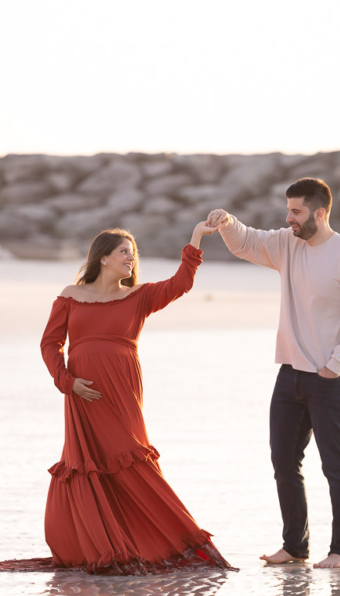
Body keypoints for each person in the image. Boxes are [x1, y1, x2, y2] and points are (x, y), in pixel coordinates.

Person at [1, 222, 234, 575]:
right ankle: (101, 543)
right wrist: (67, 382)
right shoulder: (71, 294)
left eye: (133, 253)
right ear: (104, 258)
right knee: (88, 462)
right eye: (124, 251)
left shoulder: (138, 296)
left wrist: (196, 238)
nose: (131, 257)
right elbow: (50, 343)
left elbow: (180, 284)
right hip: (82, 393)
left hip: (122, 390)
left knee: (130, 459)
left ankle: (178, 541)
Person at [207, 178, 340, 568]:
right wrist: (228, 222)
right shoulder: (287, 244)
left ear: (319, 212)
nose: (289, 218)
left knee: (336, 466)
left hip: (334, 377)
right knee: (284, 461)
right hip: (291, 373)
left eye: (296, 212)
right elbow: (248, 241)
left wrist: (332, 366)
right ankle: (296, 546)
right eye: (288, 211)